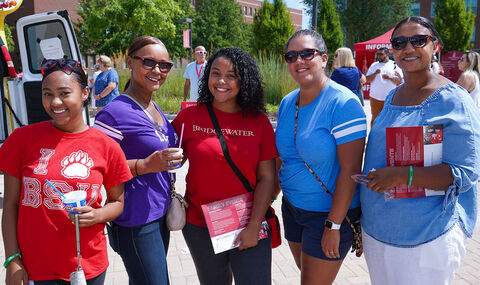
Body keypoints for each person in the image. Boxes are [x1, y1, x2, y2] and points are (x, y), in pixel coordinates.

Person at [360, 16, 480, 284]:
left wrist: (402, 176)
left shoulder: (454, 100)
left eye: (418, 40)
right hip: (379, 231)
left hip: (427, 237)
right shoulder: (393, 96)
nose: (408, 48)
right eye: (400, 42)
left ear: (435, 46)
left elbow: (465, 172)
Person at [1, 58, 132, 284]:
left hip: (87, 266)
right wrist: (12, 259)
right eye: (47, 94)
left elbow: (117, 202)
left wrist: (98, 215)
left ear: (84, 93)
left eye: (64, 93)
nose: (55, 102)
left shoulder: (107, 146)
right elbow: (10, 205)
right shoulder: (21, 140)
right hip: (36, 267)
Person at [172, 47, 276, 285]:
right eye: (215, 73)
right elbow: (168, 160)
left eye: (231, 76)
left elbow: (267, 179)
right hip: (200, 226)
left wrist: (253, 225)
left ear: (244, 80)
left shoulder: (258, 122)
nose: (221, 81)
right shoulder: (190, 118)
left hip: (247, 223)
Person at [276, 29, 367, 284]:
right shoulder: (287, 102)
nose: (298, 61)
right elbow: (282, 158)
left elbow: (351, 170)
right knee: (308, 276)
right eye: (291, 56)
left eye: (307, 53)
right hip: (293, 208)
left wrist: (333, 225)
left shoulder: (344, 104)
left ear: (325, 58)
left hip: (327, 215)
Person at [94, 36, 183, 285]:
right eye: (149, 62)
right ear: (130, 63)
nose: (157, 70)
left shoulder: (154, 107)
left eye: (164, 65)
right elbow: (99, 170)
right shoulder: (112, 113)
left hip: (159, 212)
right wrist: (144, 165)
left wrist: (174, 160)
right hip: (135, 219)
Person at [365, 47, 403, 124]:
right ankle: (374, 136)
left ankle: (387, 136)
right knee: (375, 119)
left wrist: (390, 78)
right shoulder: (374, 65)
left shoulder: (394, 65)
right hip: (375, 98)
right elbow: (367, 79)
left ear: (387, 54)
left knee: (390, 120)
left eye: (381, 54)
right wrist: (375, 73)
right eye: (377, 54)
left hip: (390, 98)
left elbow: (399, 81)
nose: (378, 56)